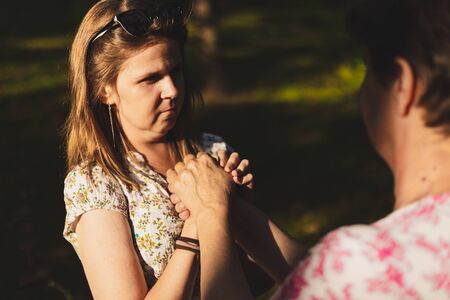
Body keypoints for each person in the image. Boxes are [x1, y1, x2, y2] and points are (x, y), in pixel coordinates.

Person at [167, 0, 450, 299]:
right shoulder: (365, 269)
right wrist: (234, 212)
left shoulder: (365, 262)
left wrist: (210, 214)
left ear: (403, 84)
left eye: (367, 71)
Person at [62, 0, 257, 299]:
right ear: (104, 90)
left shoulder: (212, 150)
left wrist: (242, 212)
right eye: (150, 79)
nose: (173, 90)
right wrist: (201, 219)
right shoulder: (96, 184)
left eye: (175, 71)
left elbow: (255, 282)